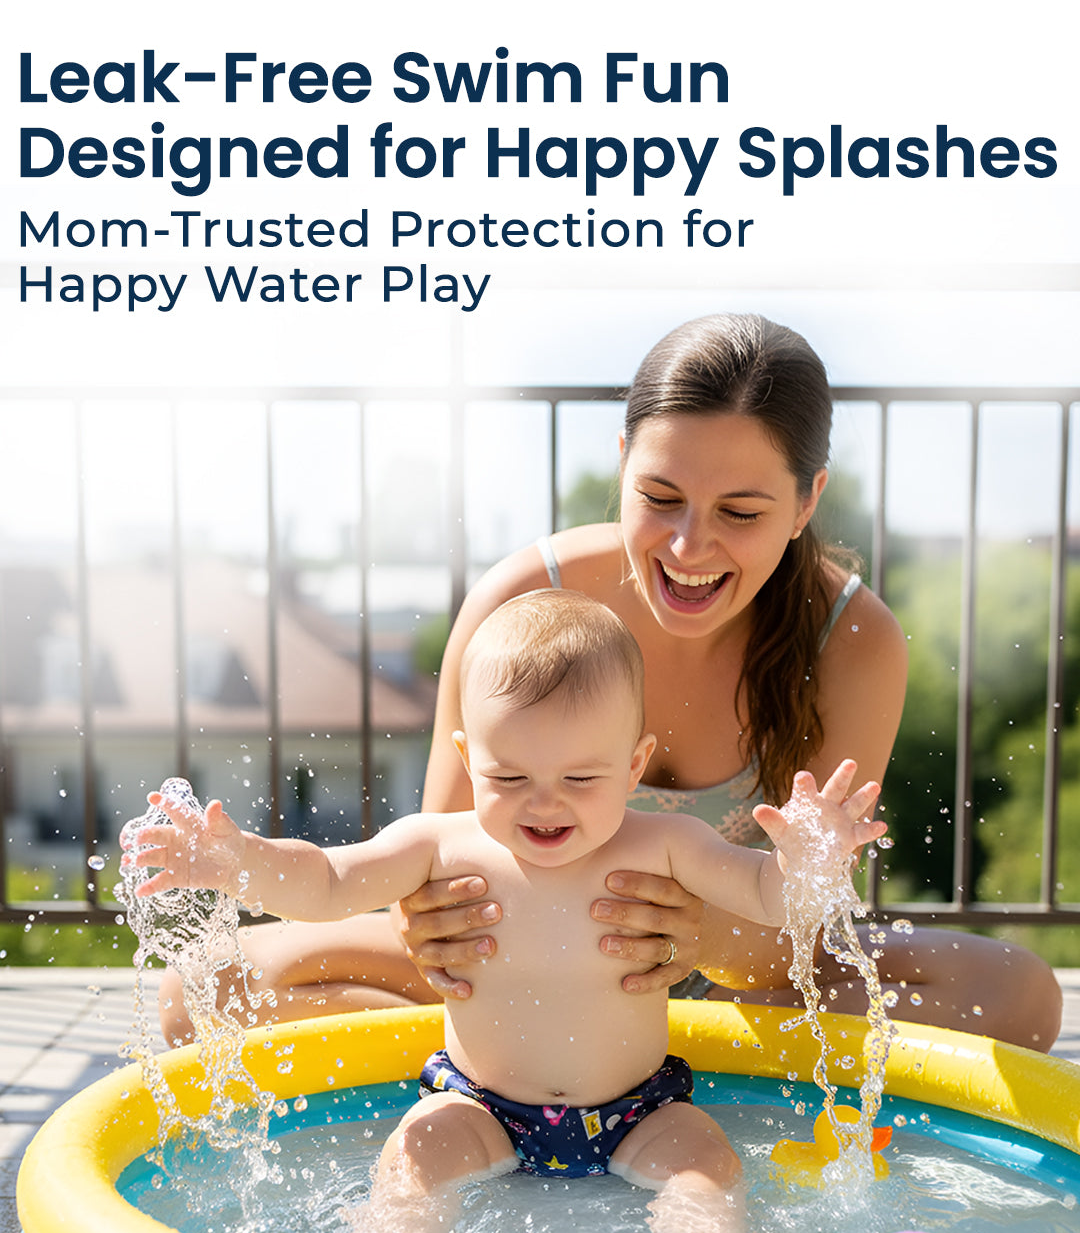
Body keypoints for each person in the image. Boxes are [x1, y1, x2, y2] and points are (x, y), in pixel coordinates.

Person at [156, 313, 1062, 1052]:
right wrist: (451, 938)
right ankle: (604, 1060)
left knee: (1016, 996)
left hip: (739, 966)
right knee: (198, 993)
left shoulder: (853, 640)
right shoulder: (523, 600)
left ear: (807, 501)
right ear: (623, 458)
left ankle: (634, 1056)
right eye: (659, 497)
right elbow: (431, 880)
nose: (688, 547)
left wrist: (690, 936)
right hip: (518, 949)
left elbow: (800, 921)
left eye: (740, 512)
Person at [126, 590, 886, 1233]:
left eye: (582, 776)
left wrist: (810, 863)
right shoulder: (438, 844)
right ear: (468, 753)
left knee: (707, 1164)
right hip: (478, 1102)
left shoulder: (668, 843)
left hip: (638, 1109)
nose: (544, 801)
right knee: (413, 1156)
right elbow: (326, 880)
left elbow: (768, 898)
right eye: (509, 773)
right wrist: (241, 862)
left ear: (633, 763)